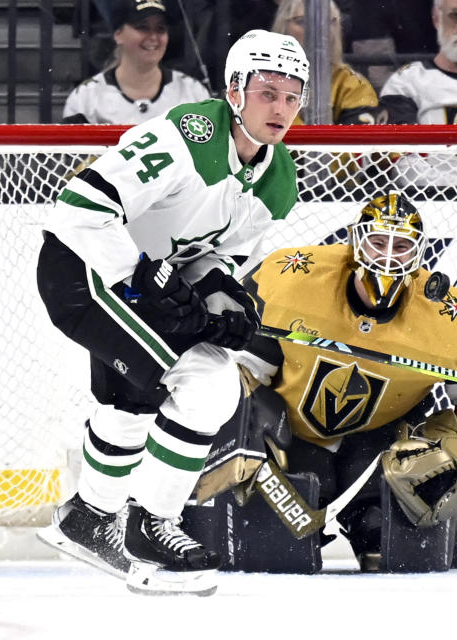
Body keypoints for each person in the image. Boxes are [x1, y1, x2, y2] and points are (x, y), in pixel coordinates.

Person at [35, 29, 309, 595]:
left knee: (134, 397)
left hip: (140, 280)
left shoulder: (279, 181)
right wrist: (143, 276)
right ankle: (148, 524)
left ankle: (89, 517)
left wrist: (223, 299)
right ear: (234, 90)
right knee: (209, 385)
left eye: (291, 96)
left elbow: (217, 259)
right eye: (267, 92)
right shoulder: (188, 136)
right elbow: (82, 207)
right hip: (83, 268)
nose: (280, 108)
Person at [188, 192, 457, 573]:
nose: (388, 255)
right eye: (378, 241)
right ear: (356, 240)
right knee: (272, 549)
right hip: (290, 440)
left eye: (401, 245)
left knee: (400, 552)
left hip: (379, 451)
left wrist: (456, 450)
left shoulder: (453, 316)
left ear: (418, 253)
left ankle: (431, 513)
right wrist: (244, 442)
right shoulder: (289, 279)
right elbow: (234, 373)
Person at [62, 0, 210, 125]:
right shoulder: (86, 97)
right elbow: (72, 158)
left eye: (160, 29)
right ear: (118, 34)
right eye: (142, 27)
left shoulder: (193, 93)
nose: (153, 37)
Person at [271, 0, 383, 125]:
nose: (315, 30)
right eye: (302, 21)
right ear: (283, 27)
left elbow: (358, 140)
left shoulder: (351, 84)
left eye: (326, 22)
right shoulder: (260, 80)